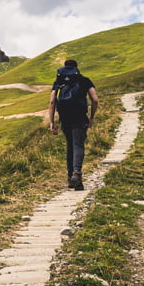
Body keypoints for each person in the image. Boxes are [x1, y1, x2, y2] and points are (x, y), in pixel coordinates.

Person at [48, 59, 98, 190]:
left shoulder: (58, 82)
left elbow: (52, 101)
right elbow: (95, 100)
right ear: (76, 68)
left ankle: (70, 178)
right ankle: (77, 173)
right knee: (78, 144)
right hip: (80, 116)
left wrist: (52, 122)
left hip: (65, 117)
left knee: (70, 145)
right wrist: (91, 117)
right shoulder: (84, 80)